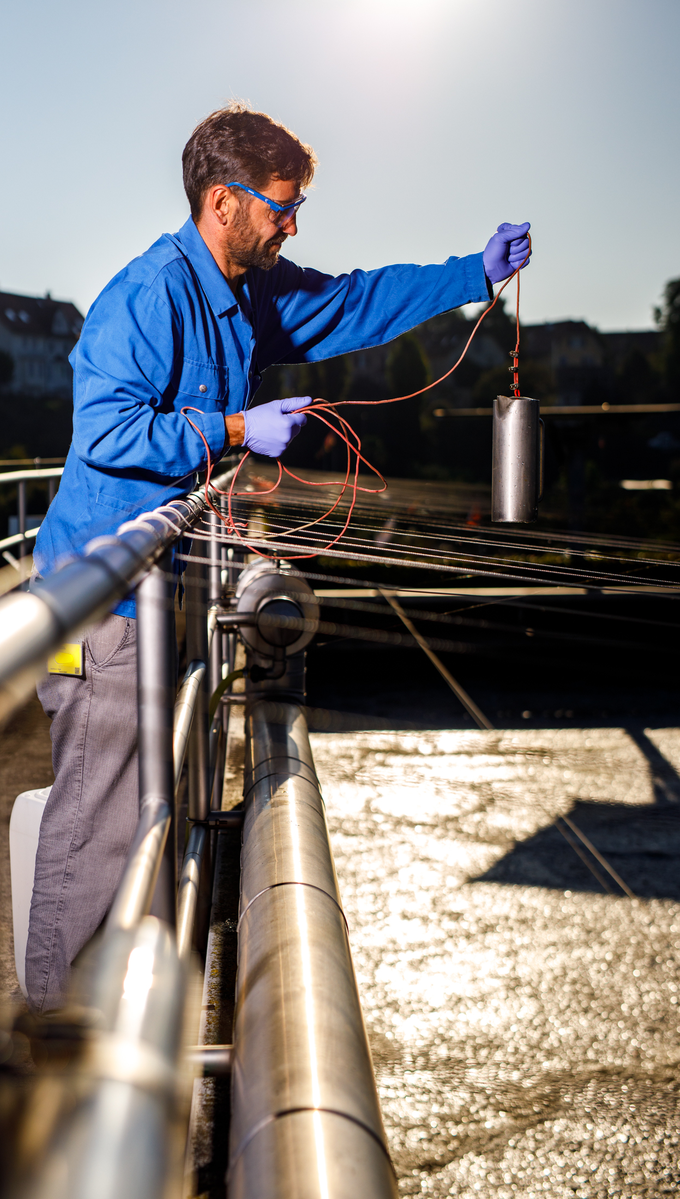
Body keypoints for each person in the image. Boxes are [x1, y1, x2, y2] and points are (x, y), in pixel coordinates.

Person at [26, 101, 531, 1012]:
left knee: (152, 787)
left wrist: (470, 271)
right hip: (97, 594)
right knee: (98, 805)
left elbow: (353, 301)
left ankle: (117, 989)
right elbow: (105, 429)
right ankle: (56, 1023)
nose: (292, 222)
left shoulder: (250, 291)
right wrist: (231, 426)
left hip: (163, 583)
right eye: (281, 206)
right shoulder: (150, 294)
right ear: (224, 201)